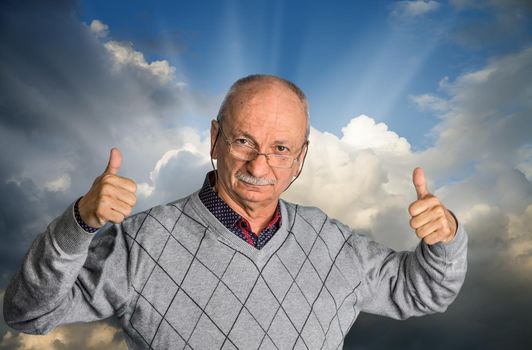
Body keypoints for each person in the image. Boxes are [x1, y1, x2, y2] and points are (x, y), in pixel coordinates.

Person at [3, 74, 467, 349]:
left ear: (301, 157)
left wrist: (443, 241)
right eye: (244, 140)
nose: (260, 164)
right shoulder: (140, 246)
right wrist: (79, 222)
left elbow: (423, 292)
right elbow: (27, 314)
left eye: (280, 148)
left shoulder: (331, 243)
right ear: (214, 139)